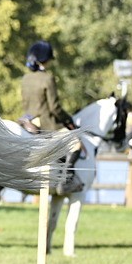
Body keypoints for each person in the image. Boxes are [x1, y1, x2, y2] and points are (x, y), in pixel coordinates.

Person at [20, 40, 80, 193]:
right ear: (45, 59)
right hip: (45, 122)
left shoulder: (25, 79)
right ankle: (65, 180)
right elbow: (54, 107)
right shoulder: (48, 78)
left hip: (26, 120)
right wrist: (68, 119)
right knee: (76, 143)